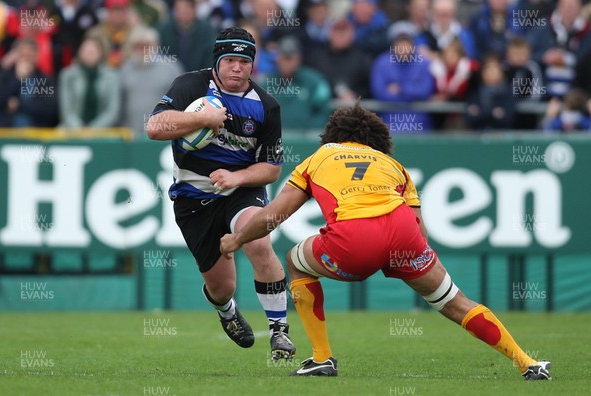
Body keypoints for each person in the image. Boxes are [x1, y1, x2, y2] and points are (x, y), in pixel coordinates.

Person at [220, 102, 552, 380]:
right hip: (404, 236)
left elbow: (273, 216)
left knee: (294, 259)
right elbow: (420, 229)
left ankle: (322, 357)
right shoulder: (394, 165)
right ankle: (527, 362)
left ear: (332, 135)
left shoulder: (319, 157)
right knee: (455, 302)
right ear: (376, 139)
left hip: (354, 240)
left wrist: (237, 239)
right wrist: (416, 263)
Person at [146, 26, 296, 360]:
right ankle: (226, 310)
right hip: (193, 195)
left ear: (253, 64)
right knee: (221, 285)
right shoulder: (189, 86)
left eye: (244, 61)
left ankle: (280, 333)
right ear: (217, 61)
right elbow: (154, 127)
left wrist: (237, 176)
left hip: (241, 190)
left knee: (257, 238)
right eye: (229, 60)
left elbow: (271, 168)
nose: (237, 68)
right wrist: (201, 118)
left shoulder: (266, 106)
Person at [119, 26, 182, 137]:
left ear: (156, 46)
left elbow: (182, 100)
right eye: (139, 46)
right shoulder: (125, 70)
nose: (143, 50)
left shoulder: (171, 69)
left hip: (165, 134)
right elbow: (120, 104)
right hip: (132, 135)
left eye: (147, 45)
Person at [263, 35, 331, 131]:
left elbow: (323, 112)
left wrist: (310, 130)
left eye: (289, 58)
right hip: (275, 141)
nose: (286, 62)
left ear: (298, 59)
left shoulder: (314, 81)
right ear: (278, 59)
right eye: (283, 57)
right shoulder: (267, 84)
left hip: (306, 141)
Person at [58, 36, 121, 128]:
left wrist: (92, 130)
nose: (90, 54)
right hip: (71, 130)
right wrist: (80, 129)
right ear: (79, 52)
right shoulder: (67, 75)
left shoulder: (111, 76)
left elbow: (112, 110)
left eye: (93, 51)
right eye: (87, 51)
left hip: (102, 132)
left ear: (100, 53)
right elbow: (66, 110)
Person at [156, 0, 216, 72]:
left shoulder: (207, 31)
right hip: (168, 76)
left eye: (188, 7)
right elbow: (156, 55)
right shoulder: (163, 29)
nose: (184, 12)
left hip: (198, 77)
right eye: (180, 8)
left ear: (194, 9)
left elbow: (210, 58)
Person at [465, 54, 515, 131]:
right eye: (487, 68)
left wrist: (481, 113)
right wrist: (493, 113)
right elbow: (470, 117)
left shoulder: (508, 93)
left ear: (501, 72)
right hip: (478, 137)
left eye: (494, 68)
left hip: (501, 137)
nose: (491, 72)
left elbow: (507, 118)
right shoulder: (475, 93)